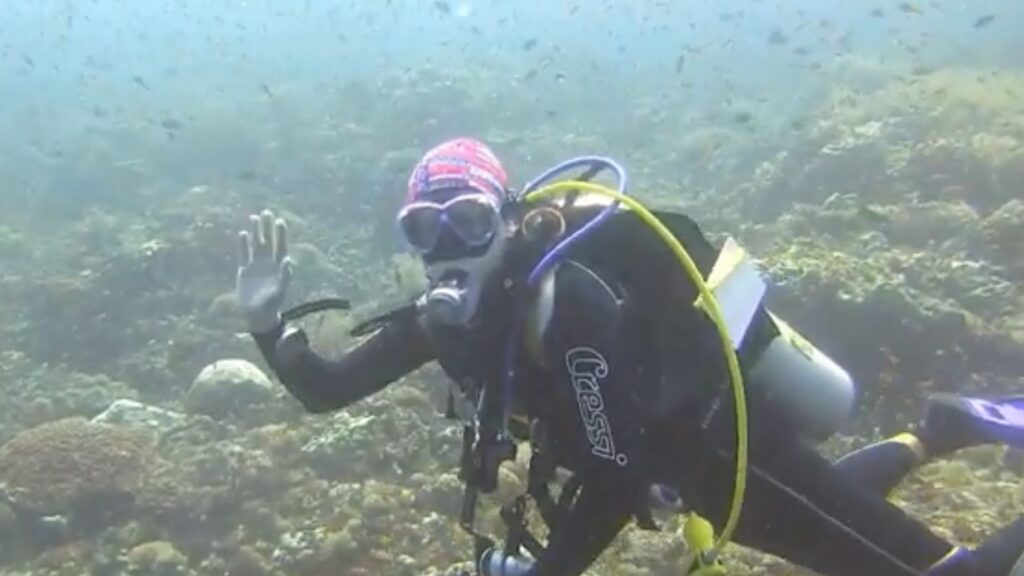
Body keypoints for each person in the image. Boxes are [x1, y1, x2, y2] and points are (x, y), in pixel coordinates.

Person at [235, 137, 1024, 576]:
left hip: (727, 452)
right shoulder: (444, 322)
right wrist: (269, 327)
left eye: (467, 221)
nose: (446, 248)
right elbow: (328, 389)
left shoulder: (568, 305)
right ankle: (939, 428)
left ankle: (945, 432)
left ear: (507, 221)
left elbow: (615, 471)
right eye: (423, 228)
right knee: (827, 518)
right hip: (690, 477)